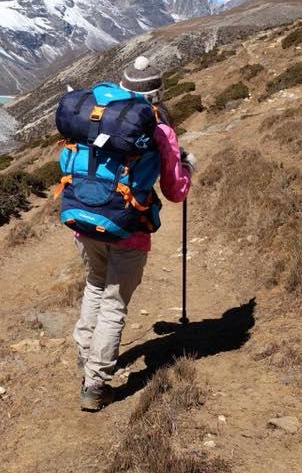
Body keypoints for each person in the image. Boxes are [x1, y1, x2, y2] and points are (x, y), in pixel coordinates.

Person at [74, 56, 196, 412]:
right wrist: (185, 167)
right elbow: (175, 191)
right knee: (114, 303)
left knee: (95, 286)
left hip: (84, 218)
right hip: (128, 228)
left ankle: (85, 355)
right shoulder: (160, 128)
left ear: (123, 85)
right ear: (158, 93)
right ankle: (96, 383)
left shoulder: (98, 113)